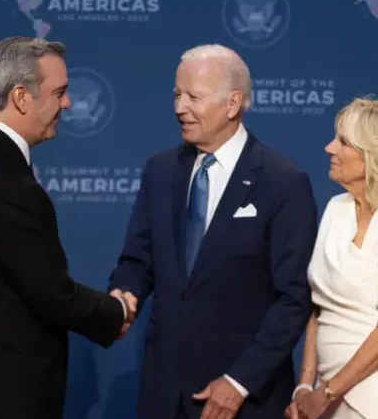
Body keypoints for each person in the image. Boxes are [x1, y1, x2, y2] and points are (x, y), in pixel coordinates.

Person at [0, 36, 135, 419]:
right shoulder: (12, 186)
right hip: (5, 398)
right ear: (21, 96)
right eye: (60, 92)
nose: (67, 104)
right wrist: (115, 311)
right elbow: (53, 295)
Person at [107, 44, 319, 419]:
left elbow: (294, 298)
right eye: (176, 95)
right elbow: (137, 260)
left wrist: (239, 382)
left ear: (232, 103)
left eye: (193, 97)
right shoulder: (160, 171)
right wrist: (123, 296)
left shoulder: (283, 182)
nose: (179, 108)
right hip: (163, 394)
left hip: (243, 400)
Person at [285, 98, 378, 419]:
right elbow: (320, 307)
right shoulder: (336, 209)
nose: (328, 147)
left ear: (374, 155)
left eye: (343, 142)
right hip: (327, 386)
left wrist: (327, 392)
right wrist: (305, 386)